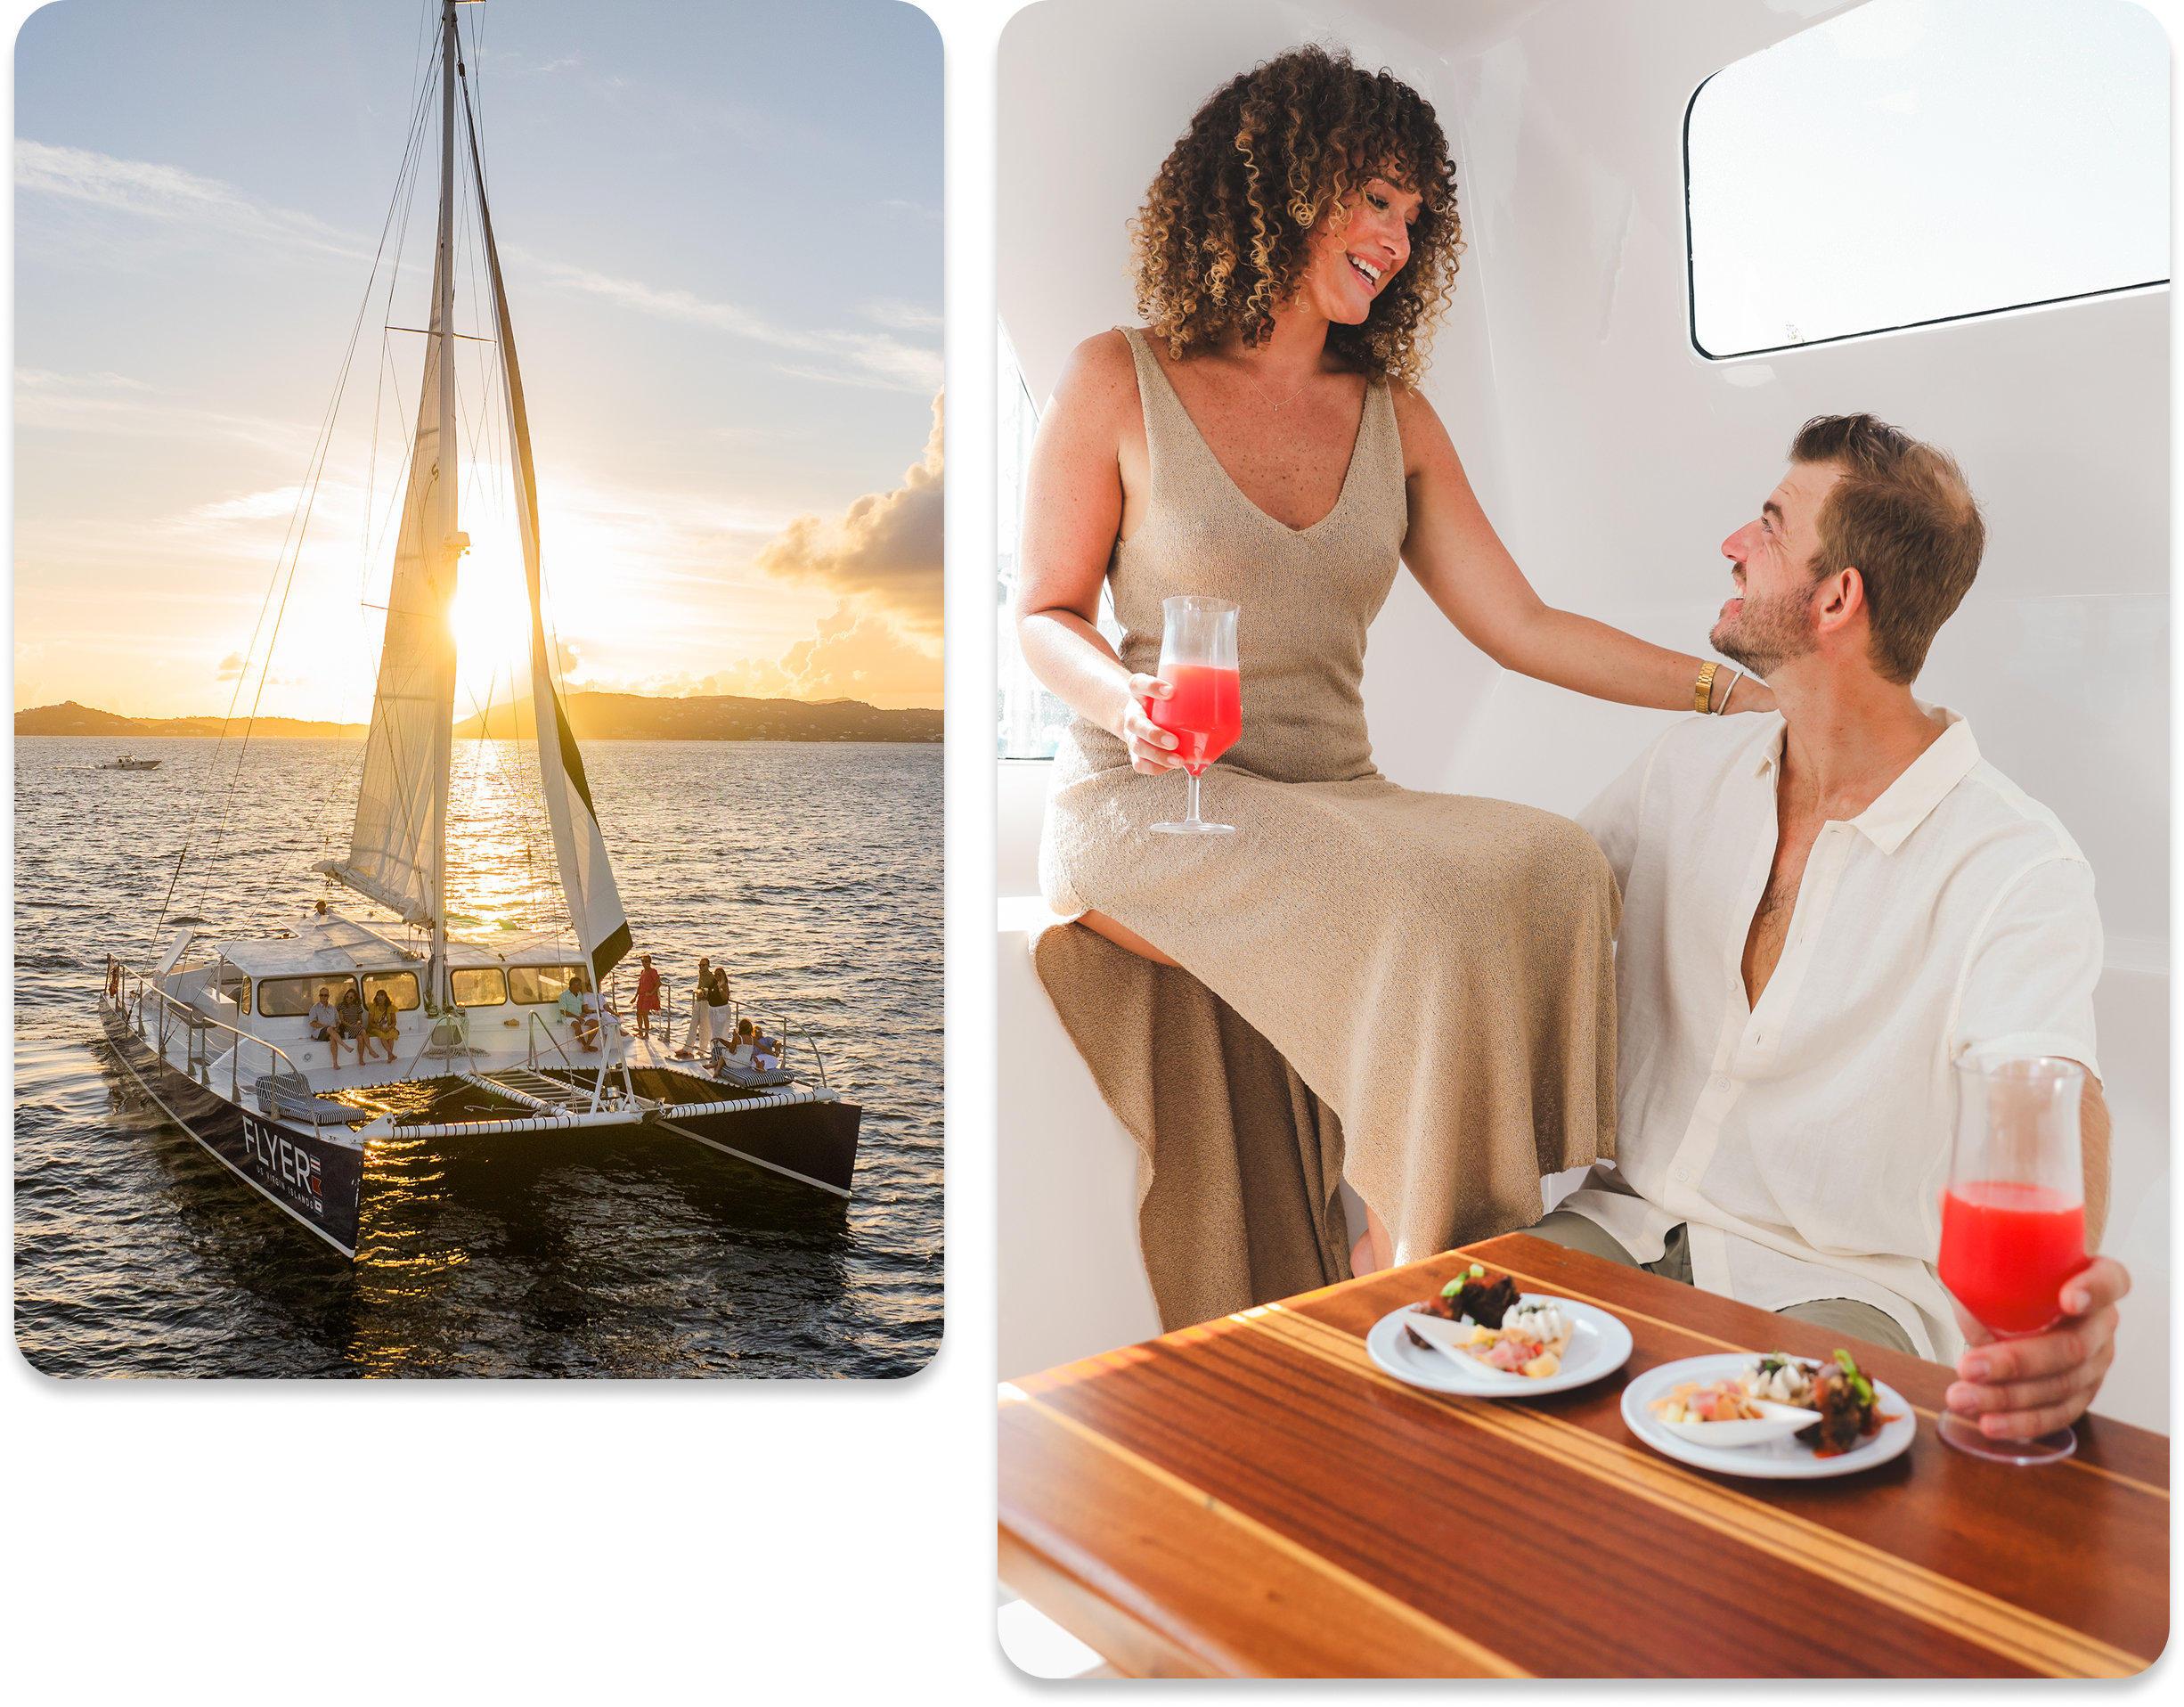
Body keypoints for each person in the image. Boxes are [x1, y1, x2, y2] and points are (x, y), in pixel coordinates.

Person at [1016, 45, 1776, 1327]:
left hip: (1332, 794)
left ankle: (1482, 1230)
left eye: (1415, 215)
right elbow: (1041, 616)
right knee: (1423, 900)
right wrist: (1123, 704)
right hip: (1150, 805)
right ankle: (1438, 1279)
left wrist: (1729, 694)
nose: (1396, 237)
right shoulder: (1115, 378)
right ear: (1279, 185)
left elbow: (1523, 623)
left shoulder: (1396, 416)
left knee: (1553, 860)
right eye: (1375, 196)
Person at [1527, 412, 2127, 1439]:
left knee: (1788, 1460)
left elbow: (2048, 1089)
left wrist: (2057, 1305)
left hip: (1840, 1287)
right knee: (1441, 1361)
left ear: (1836, 597)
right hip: (1620, 1228)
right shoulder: (1686, 773)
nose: (1732, 543)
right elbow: (1534, 923)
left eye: (1766, 525)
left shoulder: (2014, 861)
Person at [675, 957, 713, 1059]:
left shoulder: (711, 978)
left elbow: (712, 993)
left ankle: (702, 1050)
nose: (701, 967)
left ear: (708, 966)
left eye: (703, 965)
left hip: (705, 1002)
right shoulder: (701, 974)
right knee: (693, 1024)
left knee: (704, 1026)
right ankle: (688, 1048)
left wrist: (705, 995)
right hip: (698, 1001)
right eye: (700, 965)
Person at [306, 985, 346, 1065]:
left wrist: (336, 1028)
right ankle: (345, 1046)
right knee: (329, 1029)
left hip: (332, 1031)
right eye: (321, 995)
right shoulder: (314, 1008)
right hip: (320, 1032)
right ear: (319, 996)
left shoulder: (333, 1008)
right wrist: (325, 1027)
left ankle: (335, 1062)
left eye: (325, 995)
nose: (323, 997)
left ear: (328, 996)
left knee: (332, 1038)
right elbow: (312, 1023)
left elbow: (338, 1021)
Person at [363, 989, 400, 1064]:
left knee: (391, 1035)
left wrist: (389, 1027)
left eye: (381, 997)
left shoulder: (391, 1007)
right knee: (381, 1034)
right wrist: (380, 1028)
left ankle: (390, 1056)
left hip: (387, 1027)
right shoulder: (373, 1007)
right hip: (375, 1028)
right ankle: (391, 1054)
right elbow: (370, 1022)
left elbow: (394, 1022)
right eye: (378, 997)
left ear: (385, 997)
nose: (379, 999)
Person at [633, 954, 662, 1040]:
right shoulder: (643, 972)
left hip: (648, 996)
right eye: (643, 961)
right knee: (638, 1013)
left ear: (650, 963)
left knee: (645, 1014)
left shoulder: (652, 972)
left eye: (646, 961)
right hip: (641, 995)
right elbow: (640, 985)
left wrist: (651, 993)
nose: (644, 963)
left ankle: (646, 1034)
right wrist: (635, 996)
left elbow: (658, 983)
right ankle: (640, 1031)